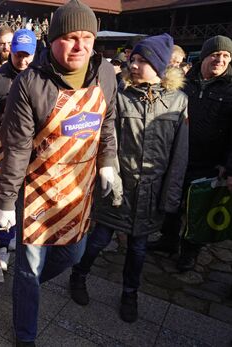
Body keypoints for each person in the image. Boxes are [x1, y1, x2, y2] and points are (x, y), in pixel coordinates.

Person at [0, 0, 117, 344]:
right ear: (53, 40)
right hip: (37, 190)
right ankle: (25, 332)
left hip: (79, 189)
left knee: (71, 254)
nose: (79, 46)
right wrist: (5, 200)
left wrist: (109, 163)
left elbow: (107, 124)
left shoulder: (105, 74)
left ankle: (24, 286)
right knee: (29, 268)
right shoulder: (29, 84)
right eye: (69, 37)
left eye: (86, 38)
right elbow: (16, 147)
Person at [70, 34, 189, 323]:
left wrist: (170, 196)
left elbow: (179, 154)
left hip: (150, 191)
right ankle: (78, 275)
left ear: (159, 66)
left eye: (142, 61)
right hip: (117, 187)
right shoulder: (120, 97)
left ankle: (130, 294)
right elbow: (104, 141)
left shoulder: (178, 102)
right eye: (133, 60)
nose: (133, 65)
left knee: (137, 248)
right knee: (98, 239)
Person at [148, 35, 232, 271]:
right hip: (178, 155)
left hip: (210, 162)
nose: (220, 59)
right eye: (216, 54)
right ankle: (168, 240)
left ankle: (190, 252)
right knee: (172, 199)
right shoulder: (184, 82)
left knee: (197, 209)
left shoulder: (230, 89)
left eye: (226, 56)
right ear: (205, 56)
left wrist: (229, 165)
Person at [0, 29, 37, 270]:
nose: (22, 61)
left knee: (28, 199)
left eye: (27, 56)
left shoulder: (41, 76)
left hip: (35, 148)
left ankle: (22, 239)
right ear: (10, 51)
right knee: (5, 198)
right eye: (18, 55)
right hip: (6, 149)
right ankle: (3, 242)